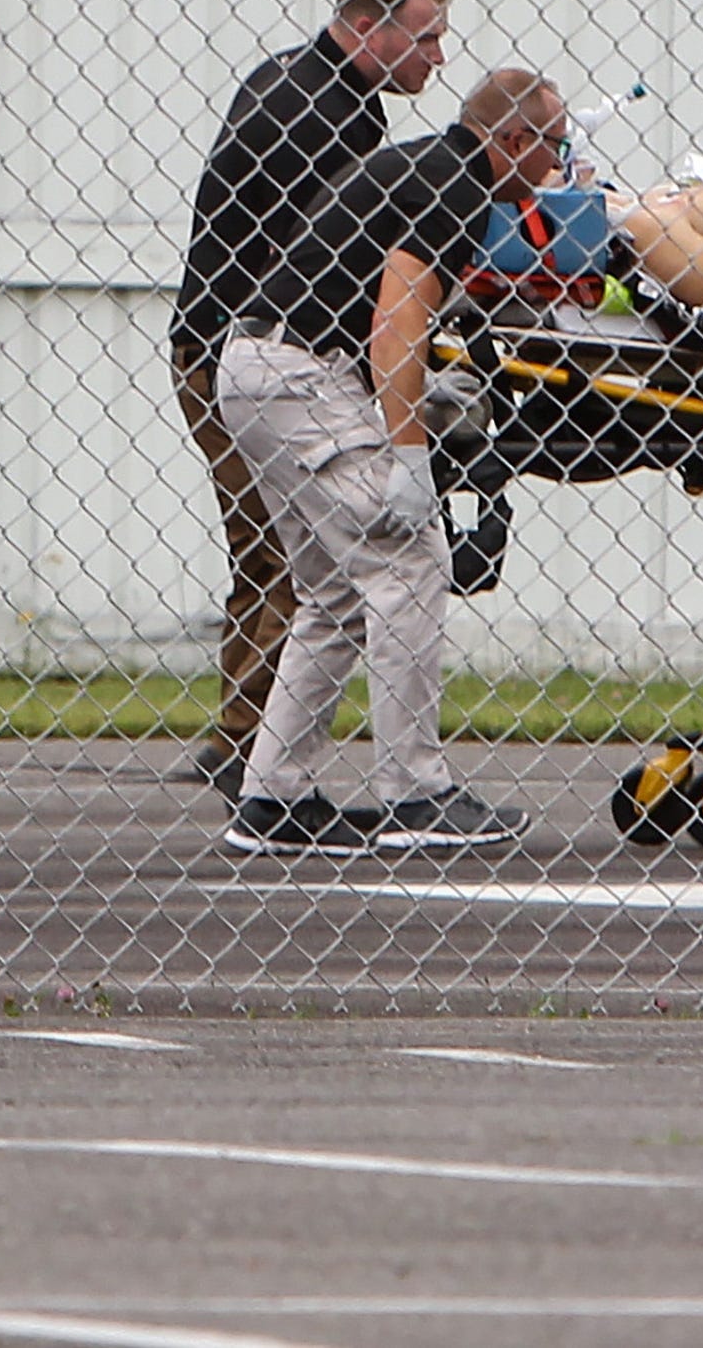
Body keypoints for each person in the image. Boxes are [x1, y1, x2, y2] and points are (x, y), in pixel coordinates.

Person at [211, 66, 570, 856]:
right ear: (510, 139)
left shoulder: (420, 164)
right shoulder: (456, 187)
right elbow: (397, 322)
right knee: (409, 559)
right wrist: (408, 453)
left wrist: (406, 390)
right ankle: (416, 793)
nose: (558, 161)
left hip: (260, 367)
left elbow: (371, 307)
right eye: (552, 142)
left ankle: (273, 799)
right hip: (301, 373)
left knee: (334, 592)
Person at [169, 0, 451, 798]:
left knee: (282, 545)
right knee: (285, 545)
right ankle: (250, 746)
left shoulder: (312, 85)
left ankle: (248, 741)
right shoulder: (316, 116)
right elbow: (322, 258)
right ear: (367, 28)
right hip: (240, 350)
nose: (438, 55)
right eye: (425, 34)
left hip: (239, 347)